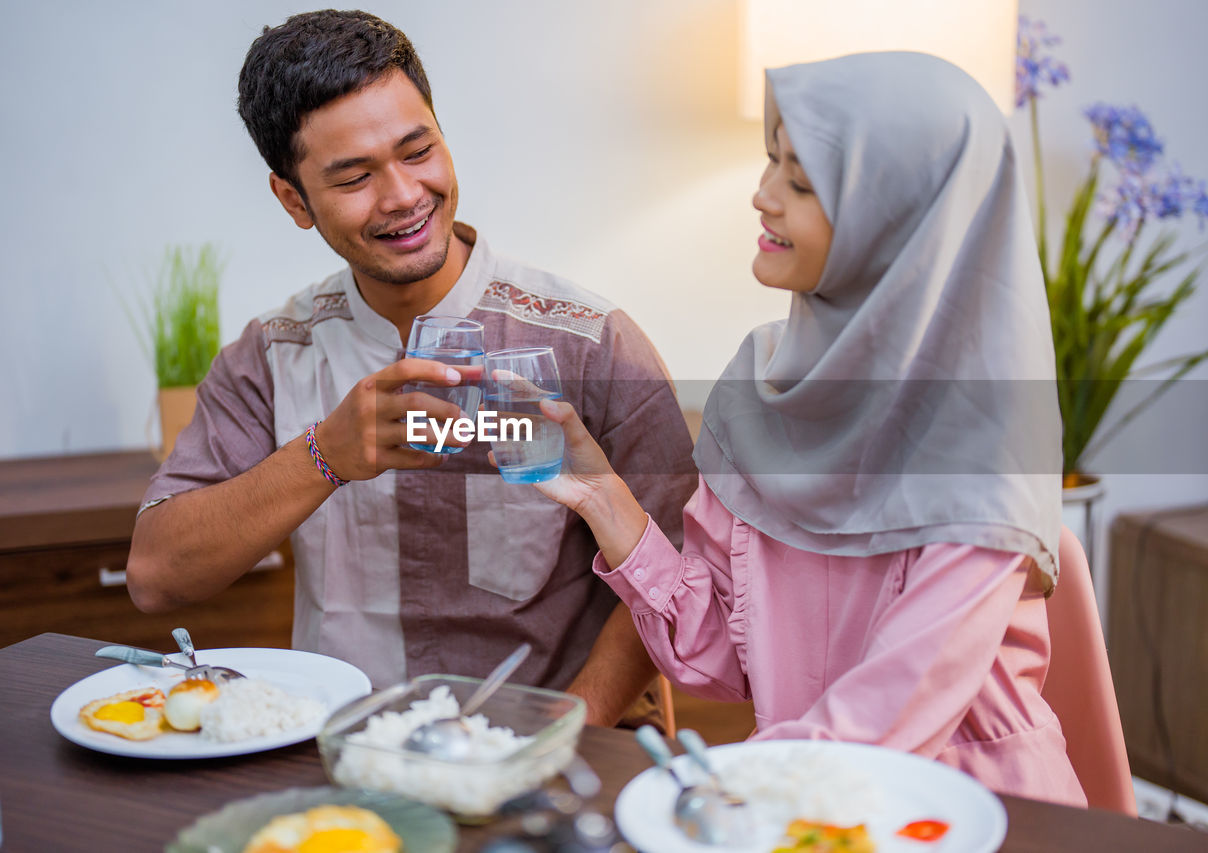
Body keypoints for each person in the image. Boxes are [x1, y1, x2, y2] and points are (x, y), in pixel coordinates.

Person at [527, 51, 1087, 804]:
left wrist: (699, 794)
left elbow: (884, 725)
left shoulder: (982, 435)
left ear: (898, 217)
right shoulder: (760, 385)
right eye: (770, 163)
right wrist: (602, 495)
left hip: (968, 812)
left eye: (800, 180)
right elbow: (720, 657)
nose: (762, 196)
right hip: (798, 798)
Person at [125, 9, 697, 728]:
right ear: (293, 199)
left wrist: (564, 734)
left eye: (417, 149)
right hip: (352, 761)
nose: (401, 195)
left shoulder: (590, 340)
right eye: (355, 176)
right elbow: (154, 576)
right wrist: (323, 456)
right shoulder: (271, 356)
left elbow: (676, 566)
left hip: (554, 760)